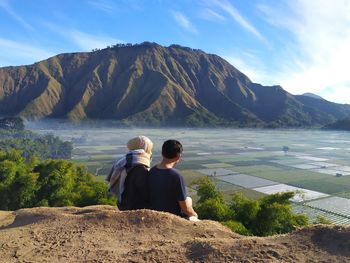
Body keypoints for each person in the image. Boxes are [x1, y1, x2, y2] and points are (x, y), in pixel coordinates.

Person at [149, 139, 198, 220]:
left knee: (188, 199)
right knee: (189, 200)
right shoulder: (175, 176)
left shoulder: (152, 171)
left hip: (154, 212)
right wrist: (195, 215)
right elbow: (185, 208)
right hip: (172, 216)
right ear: (178, 156)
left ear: (162, 153)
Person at [106, 136, 153, 211]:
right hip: (135, 207)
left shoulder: (123, 161)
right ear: (145, 148)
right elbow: (145, 192)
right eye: (150, 149)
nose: (150, 152)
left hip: (123, 203)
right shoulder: (140, 167)